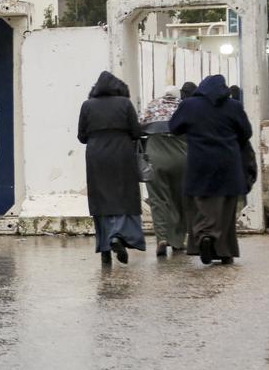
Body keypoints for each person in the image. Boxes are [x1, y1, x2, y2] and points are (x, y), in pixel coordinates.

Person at [169, 75, 253, 265]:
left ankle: (204, 237)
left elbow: (174, 128)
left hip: (199, 162)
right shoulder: (233, 106)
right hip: (228, 163)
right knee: (226, 207)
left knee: (200, 203)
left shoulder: (189, 105)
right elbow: (246, 132)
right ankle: (224, 251)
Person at [78, 71, 145, 265]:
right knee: (124, 195)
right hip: (122, 153)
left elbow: (81, 136)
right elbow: (136, 132)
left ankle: (105, 246)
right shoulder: (125, 103)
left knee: (101, 198)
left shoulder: (87, 105)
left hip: (96, 154)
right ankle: (119, 235)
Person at [139, 86, 188, 257]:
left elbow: (139, 127)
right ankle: (177, 241)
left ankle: (161, 238)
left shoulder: (153, 105)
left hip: (155, 155)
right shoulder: (184, 106)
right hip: (181, 156)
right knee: (179, 199)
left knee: (158, 199)